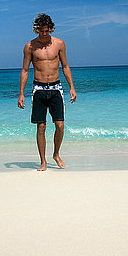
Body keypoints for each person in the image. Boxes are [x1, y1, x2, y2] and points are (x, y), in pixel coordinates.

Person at [18, 13, 77, 171]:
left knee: (60, 126)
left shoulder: (59, 44)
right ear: (36, 30)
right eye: (41, 31)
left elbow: (65, 66)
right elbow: (25, 70)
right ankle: (43, 161)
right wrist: (21, 93)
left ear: (50, 29)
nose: (44, 34)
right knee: (41, 127)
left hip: (56, 88)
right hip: (39, 89)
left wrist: (72, 87)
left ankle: (56, 154)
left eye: (46, 31)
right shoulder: (29, 46)